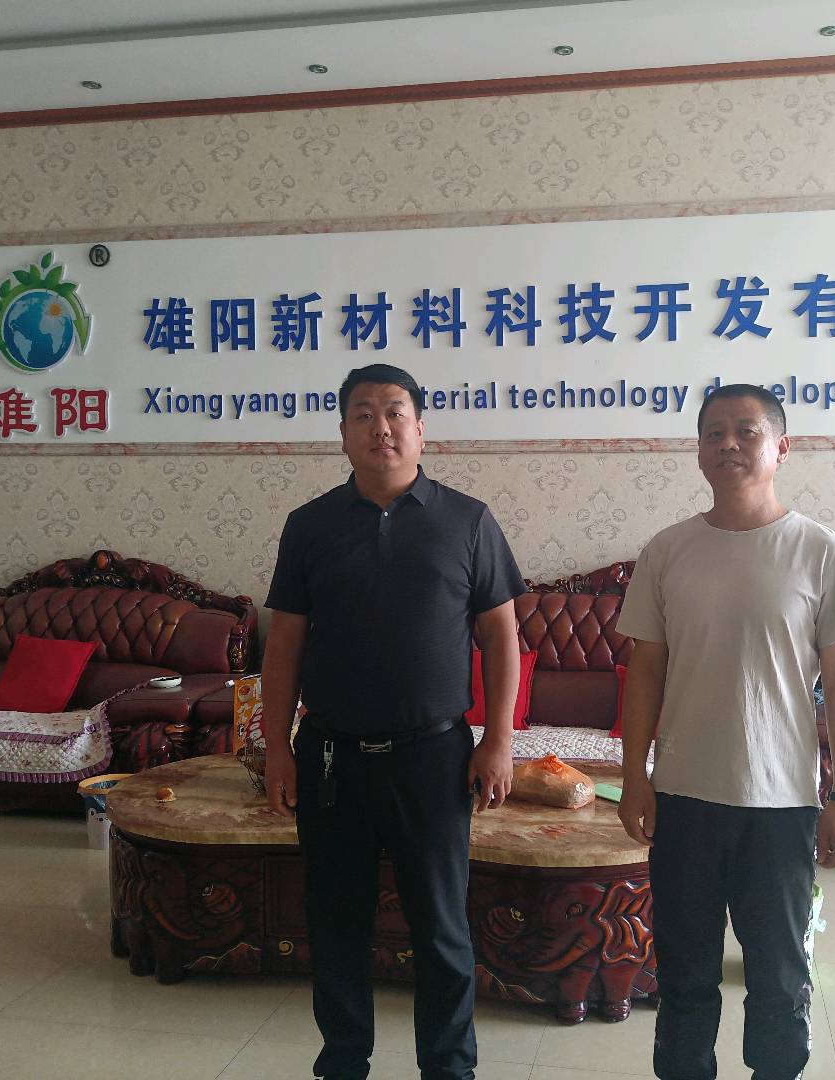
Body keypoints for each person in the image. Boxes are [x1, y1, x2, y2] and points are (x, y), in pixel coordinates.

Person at [260, 362, 526, 1080]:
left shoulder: (467, 520)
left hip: (433, 756)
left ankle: (449, 1067)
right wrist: (276, 748)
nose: (381, 427)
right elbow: (284, 645)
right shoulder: (310, 526)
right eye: (363, 414)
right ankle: (344, 1061)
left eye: (395, 412)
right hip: (330, 757)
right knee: (335, 922)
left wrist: (498, 740)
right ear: (343, 433)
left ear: (420, 429)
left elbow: (502, 636)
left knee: (440, 925)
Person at [614, 384, 835, 1080]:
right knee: (685, 975)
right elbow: (645, 671)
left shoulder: (820, 551)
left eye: (746, 431)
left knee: (779, 978)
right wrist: (636, 777)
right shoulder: (668, 550)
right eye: (713, 433)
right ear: (699, 450)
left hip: (780, 802)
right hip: (684, 797)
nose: (728, 444)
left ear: (781, 448)